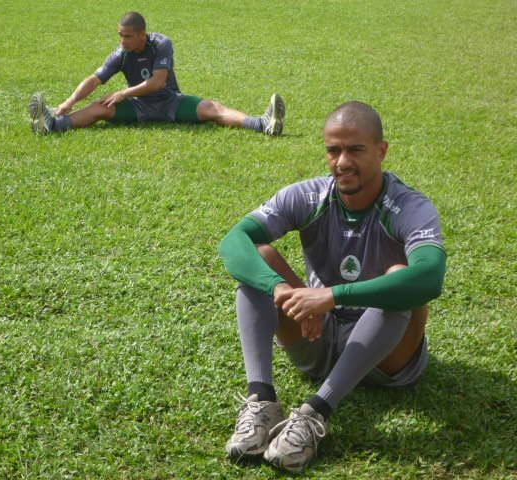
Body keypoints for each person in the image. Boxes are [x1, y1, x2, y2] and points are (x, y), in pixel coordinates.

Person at [218, 101, 446, 473]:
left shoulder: (409, 206)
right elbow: (234, 241)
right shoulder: (309, 196)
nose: (342, 161)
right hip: (317, 340)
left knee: (398, 276)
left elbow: (430, 276)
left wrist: (332, 296)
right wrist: (280, 290)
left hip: (386, 360)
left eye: (355, 150)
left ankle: (315, 412)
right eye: (333, 150)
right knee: (258, 261)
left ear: (381, 150)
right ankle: (261, 400)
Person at [28, 12, 285, 136]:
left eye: (127, 36)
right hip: (140, 107)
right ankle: (52, 124)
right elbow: (95, 79)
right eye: (120, 35)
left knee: (212, 108)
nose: (122, 41)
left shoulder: (161, 43)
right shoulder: (121, 53)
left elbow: (158, 81)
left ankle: (263, 124)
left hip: (171, 101)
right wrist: (69, 102)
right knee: (98, 108)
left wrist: (123, 93)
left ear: (142, 34)